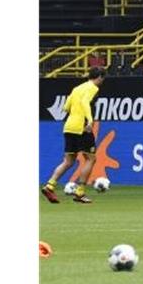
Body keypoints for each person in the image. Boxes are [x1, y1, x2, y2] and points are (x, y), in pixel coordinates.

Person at [41, 67, 105, 204]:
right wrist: (90, 120)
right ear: (99, 77)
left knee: (68, 161)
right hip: (82, 127)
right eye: (102, 78)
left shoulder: (77, 88)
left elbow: (65, 107)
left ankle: (50, 185)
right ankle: (80, 192)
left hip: (69, 126)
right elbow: (85, 102)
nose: (102, 81)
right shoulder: (93, 88)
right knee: (91, 159)